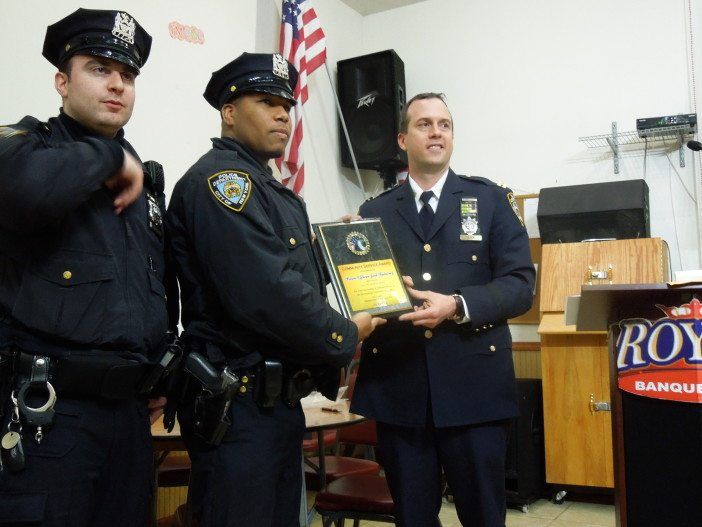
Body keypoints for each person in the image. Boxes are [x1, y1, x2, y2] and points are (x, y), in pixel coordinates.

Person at [166, 52, 385, 527]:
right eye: (267, 102)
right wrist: (345, 333)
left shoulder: (268, 188)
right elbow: (267, 294)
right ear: (228, 112)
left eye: (288, 105)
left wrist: (337, 253)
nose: (284, 114)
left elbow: (286, 274)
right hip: (238, 408)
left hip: (274, 407)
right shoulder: (222, 183)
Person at [0, 8, 172, 527]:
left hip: (128, 417)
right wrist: (107, 160)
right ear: (61, 80)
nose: (118, 83)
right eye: (99, 68)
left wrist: (159, 358)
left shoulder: (144, 177)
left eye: (129, 75)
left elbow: (154, 280)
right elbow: (22, 190)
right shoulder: (25, 147)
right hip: (49, 415)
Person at [350, 92, 535, 527]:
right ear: (402, 139)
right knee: (413, 518)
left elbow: (521, 285)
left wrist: (458, 305)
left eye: (445, 124)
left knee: (484, 517)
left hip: (476, 392)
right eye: (424, 124)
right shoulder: (373, 212)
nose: (436, 132)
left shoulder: (490, 201)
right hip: (401, 390)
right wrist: (346, 255)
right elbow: (364, 294)